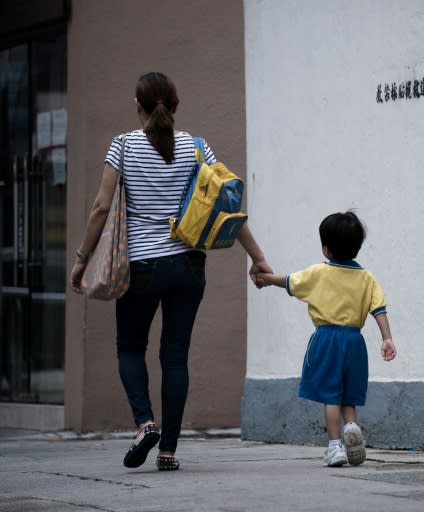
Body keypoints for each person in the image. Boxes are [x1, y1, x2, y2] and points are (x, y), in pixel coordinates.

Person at [69, 72, 272, 471]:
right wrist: (257, 257)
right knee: (174, 357)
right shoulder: (198, 148)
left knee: (130, 348)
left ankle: (145, 424)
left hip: (140, 267)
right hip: (187, 266)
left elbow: (100, 207)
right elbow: (226, 204)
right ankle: (168, 452)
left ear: (137, 105)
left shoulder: (122, 145)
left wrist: (81, 259)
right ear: (175, 105)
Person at [256, 211, 397, 467]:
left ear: (326, 248)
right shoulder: (366, 277)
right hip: (355, 341)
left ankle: (335, 447)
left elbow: (289, 282)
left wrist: (266, 280)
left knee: (330, 394)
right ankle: (351, 426)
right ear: (357, 246)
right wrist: (387, 338)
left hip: (327, 338)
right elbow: (379, 309)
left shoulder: (319, 272)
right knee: (348, 395)